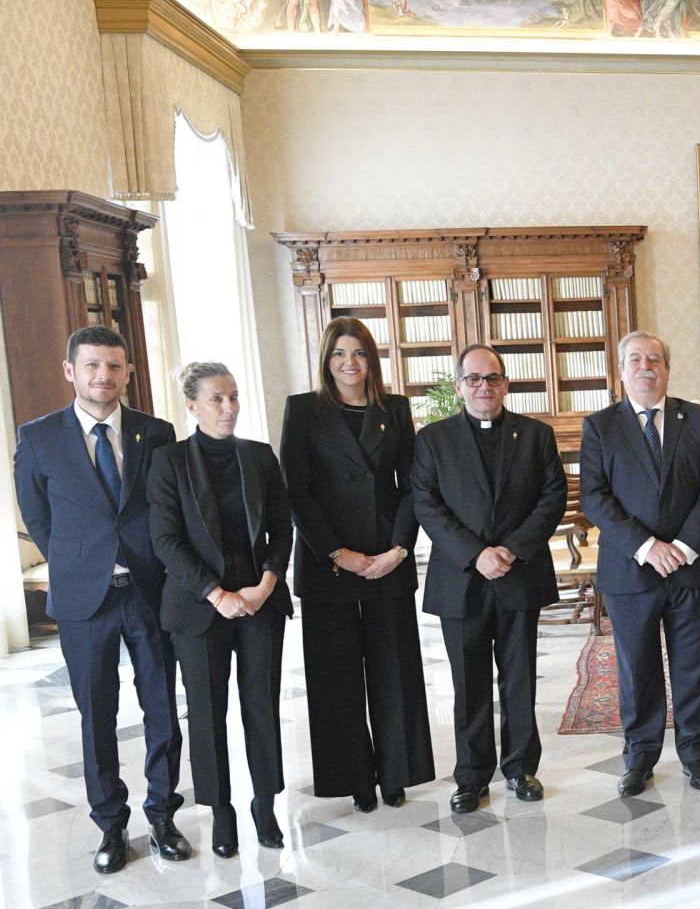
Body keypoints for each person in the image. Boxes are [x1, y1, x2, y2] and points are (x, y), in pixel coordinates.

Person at [14, 326, 188, 873]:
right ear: (71, 371)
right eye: (91, 365)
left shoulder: (155, 433)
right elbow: (37, 517)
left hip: (148, 591)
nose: (103, 376)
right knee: (97, 716)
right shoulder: (38, 437)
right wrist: (81, 560)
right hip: (84, 599)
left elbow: (168, 509)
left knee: (162, 709)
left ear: (127, 372)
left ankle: (163, 816)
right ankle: (111, 825)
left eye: (113, 366)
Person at [279, 316, 434, 812]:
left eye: (360, 353)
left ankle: (396, 772)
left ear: (372, 360)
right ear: (327, 360)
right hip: (328, 561)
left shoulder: (395, 409)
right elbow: (296, 491)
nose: (350, 363)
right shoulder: (303, 410)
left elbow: (411, 486)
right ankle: (355, 778)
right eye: (340, 353)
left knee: (395, 670)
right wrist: (337, 552)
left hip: (387, 556)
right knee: (336, 677)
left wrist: (399, 549)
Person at [412, 344, 567, 814]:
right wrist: (475, 554)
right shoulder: (433, 439)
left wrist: (512, 549)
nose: (484, 387)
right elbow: (426, 504)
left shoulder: (536, 435)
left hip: (519, 575)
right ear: (458, 386)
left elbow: (552, 497)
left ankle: (520, 768)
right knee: (469, 683)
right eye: (474, 379)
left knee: (520, 679)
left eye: (493, 378)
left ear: (506, 383)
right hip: (462, 579)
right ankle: (471, 776)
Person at [148, 363, 293, 858]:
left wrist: (266, 584)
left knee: (261, 705)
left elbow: (282, 528)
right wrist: (216, 594)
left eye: (233, 396)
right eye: (216, 399)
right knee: (207, 714)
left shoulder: (259, 455)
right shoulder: (168, 461)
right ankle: (221, 811)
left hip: (259, 600)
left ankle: (265, 805)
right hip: (198, 606)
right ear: (192, 406)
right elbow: (166, 540)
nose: (228, 407)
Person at [579, 332, 700, 795]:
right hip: (630, 569)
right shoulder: (600, 426)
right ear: (621, 371)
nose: (645, 367)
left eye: (654, 359)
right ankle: (640, 759)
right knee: (637, 668)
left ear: (667, 369)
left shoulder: (698, 418)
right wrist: (647, 547)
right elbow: (595, 497)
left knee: (692, 665)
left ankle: (695, 756)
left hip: (689, 566)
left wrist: (681, 546)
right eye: (636, 360)